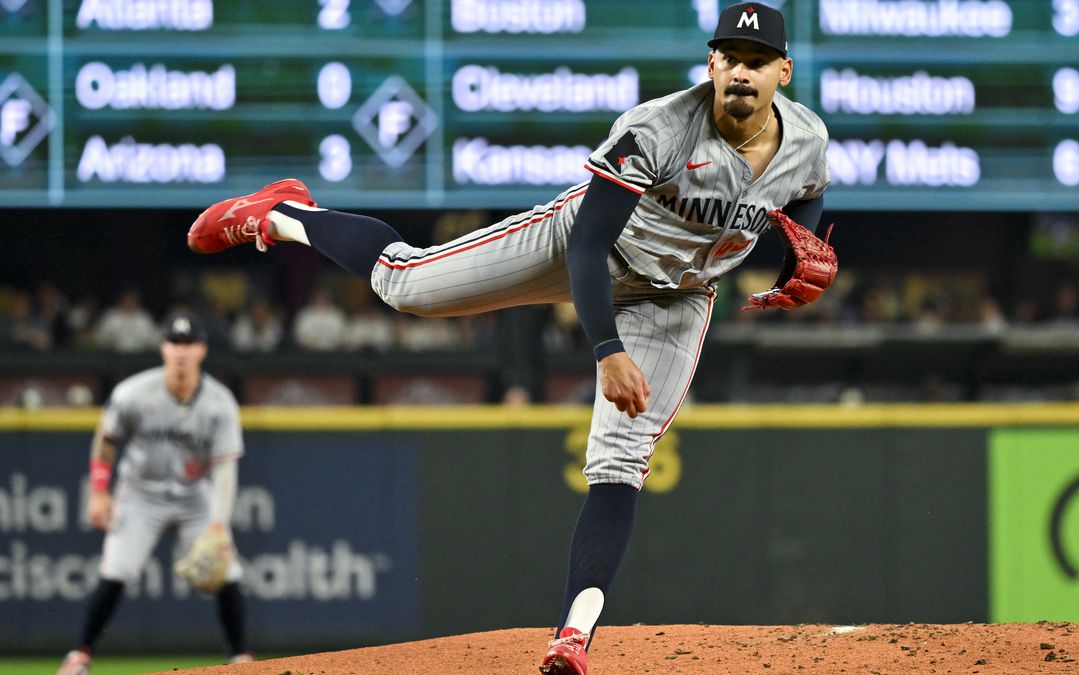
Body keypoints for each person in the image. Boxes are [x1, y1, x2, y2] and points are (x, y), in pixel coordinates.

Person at [186, 4, 829, 673]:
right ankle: (287, 215)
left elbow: (806, 192)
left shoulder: (808, 139)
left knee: (621, 458)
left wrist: (797, 250)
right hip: (588, 249)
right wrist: (606, 350)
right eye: (729, 57)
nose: (740, 73)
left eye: (755, 61)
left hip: (676, 296)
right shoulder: (659, 128)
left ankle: (572, 638)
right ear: (711, 64)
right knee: (405, 284)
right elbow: (587, 244)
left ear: (782, 71)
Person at [56, 313, 252, 675]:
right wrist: (99, 493)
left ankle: (241, 659)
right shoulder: (133, 392)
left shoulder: (220, 402)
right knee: (116, 570)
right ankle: (79, 655)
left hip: (194, 497)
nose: (181, 352)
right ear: (163, 348)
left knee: (228, 571)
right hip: (140, 494)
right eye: (174, 343)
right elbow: (106, 441)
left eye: (189, 344)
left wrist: (219, 525)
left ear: (202, 350)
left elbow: (225, 469)